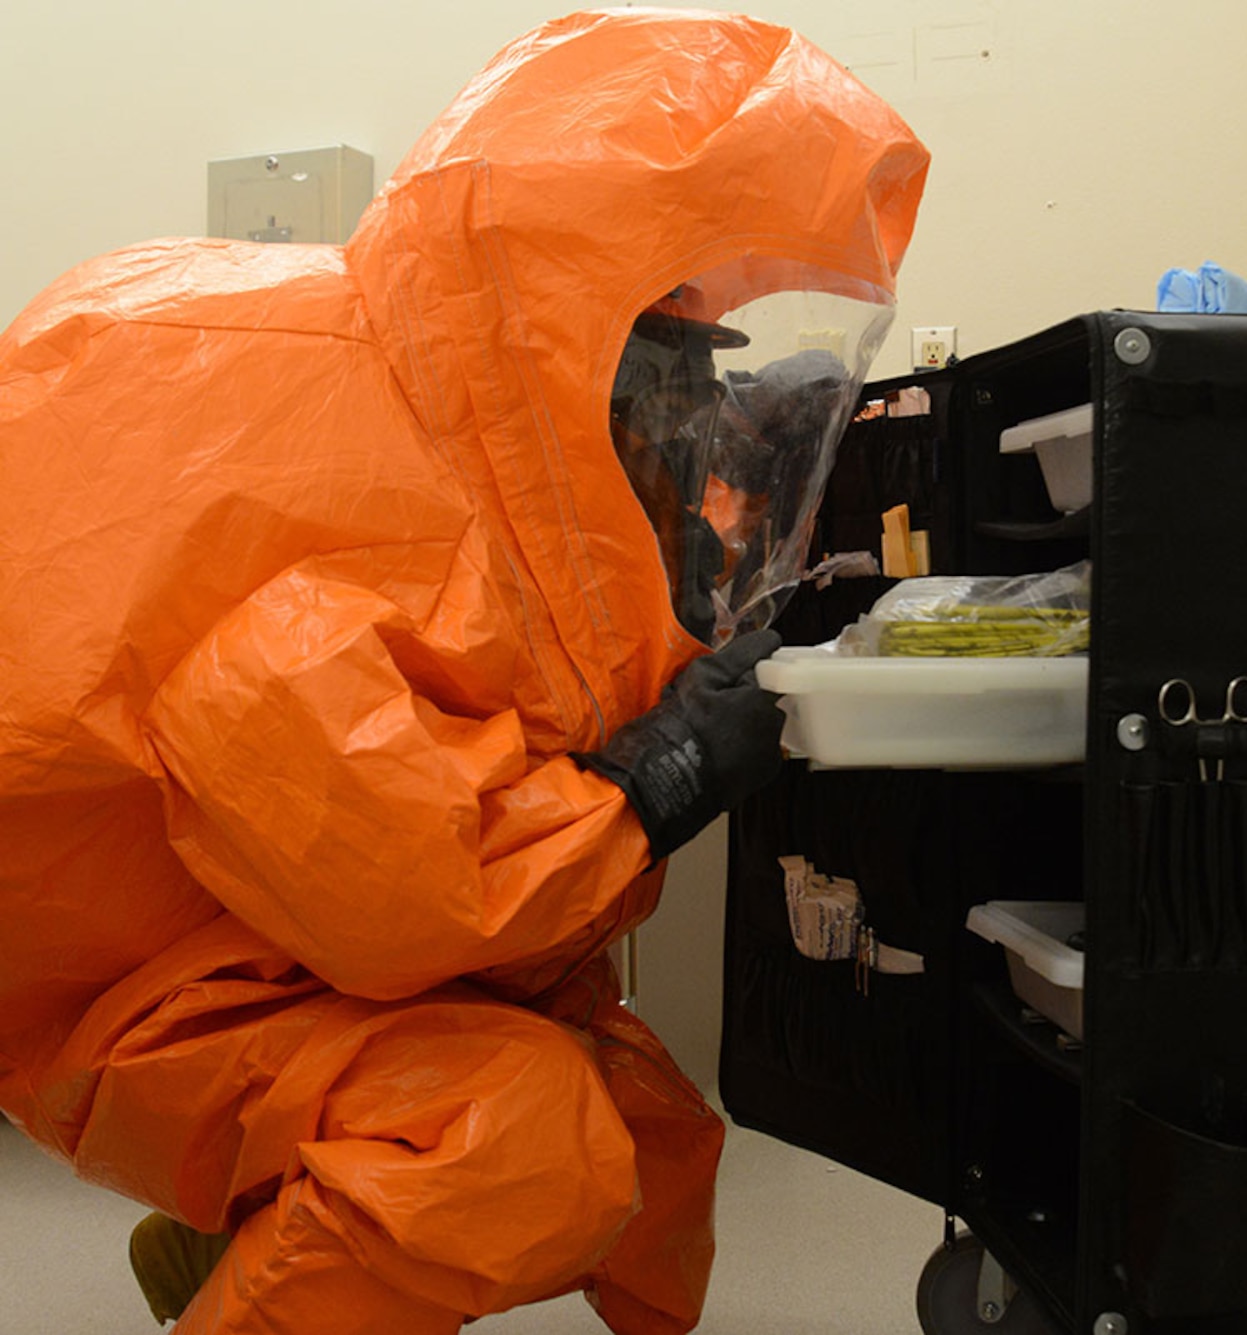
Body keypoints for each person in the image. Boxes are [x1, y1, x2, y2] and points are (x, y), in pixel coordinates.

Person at [0, 10, 928, 1333]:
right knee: (521, 1143)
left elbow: (562, 583)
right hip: (116, 988)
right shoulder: (361, 501)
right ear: (583, 349)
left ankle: (243, 1242)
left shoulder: (459, 438)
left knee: (630, 1104)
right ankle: (273, 1252)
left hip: (230, 922)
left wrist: (725, 469)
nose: (691, 416)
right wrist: (650, 782)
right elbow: (398, 891)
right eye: (673, 372)